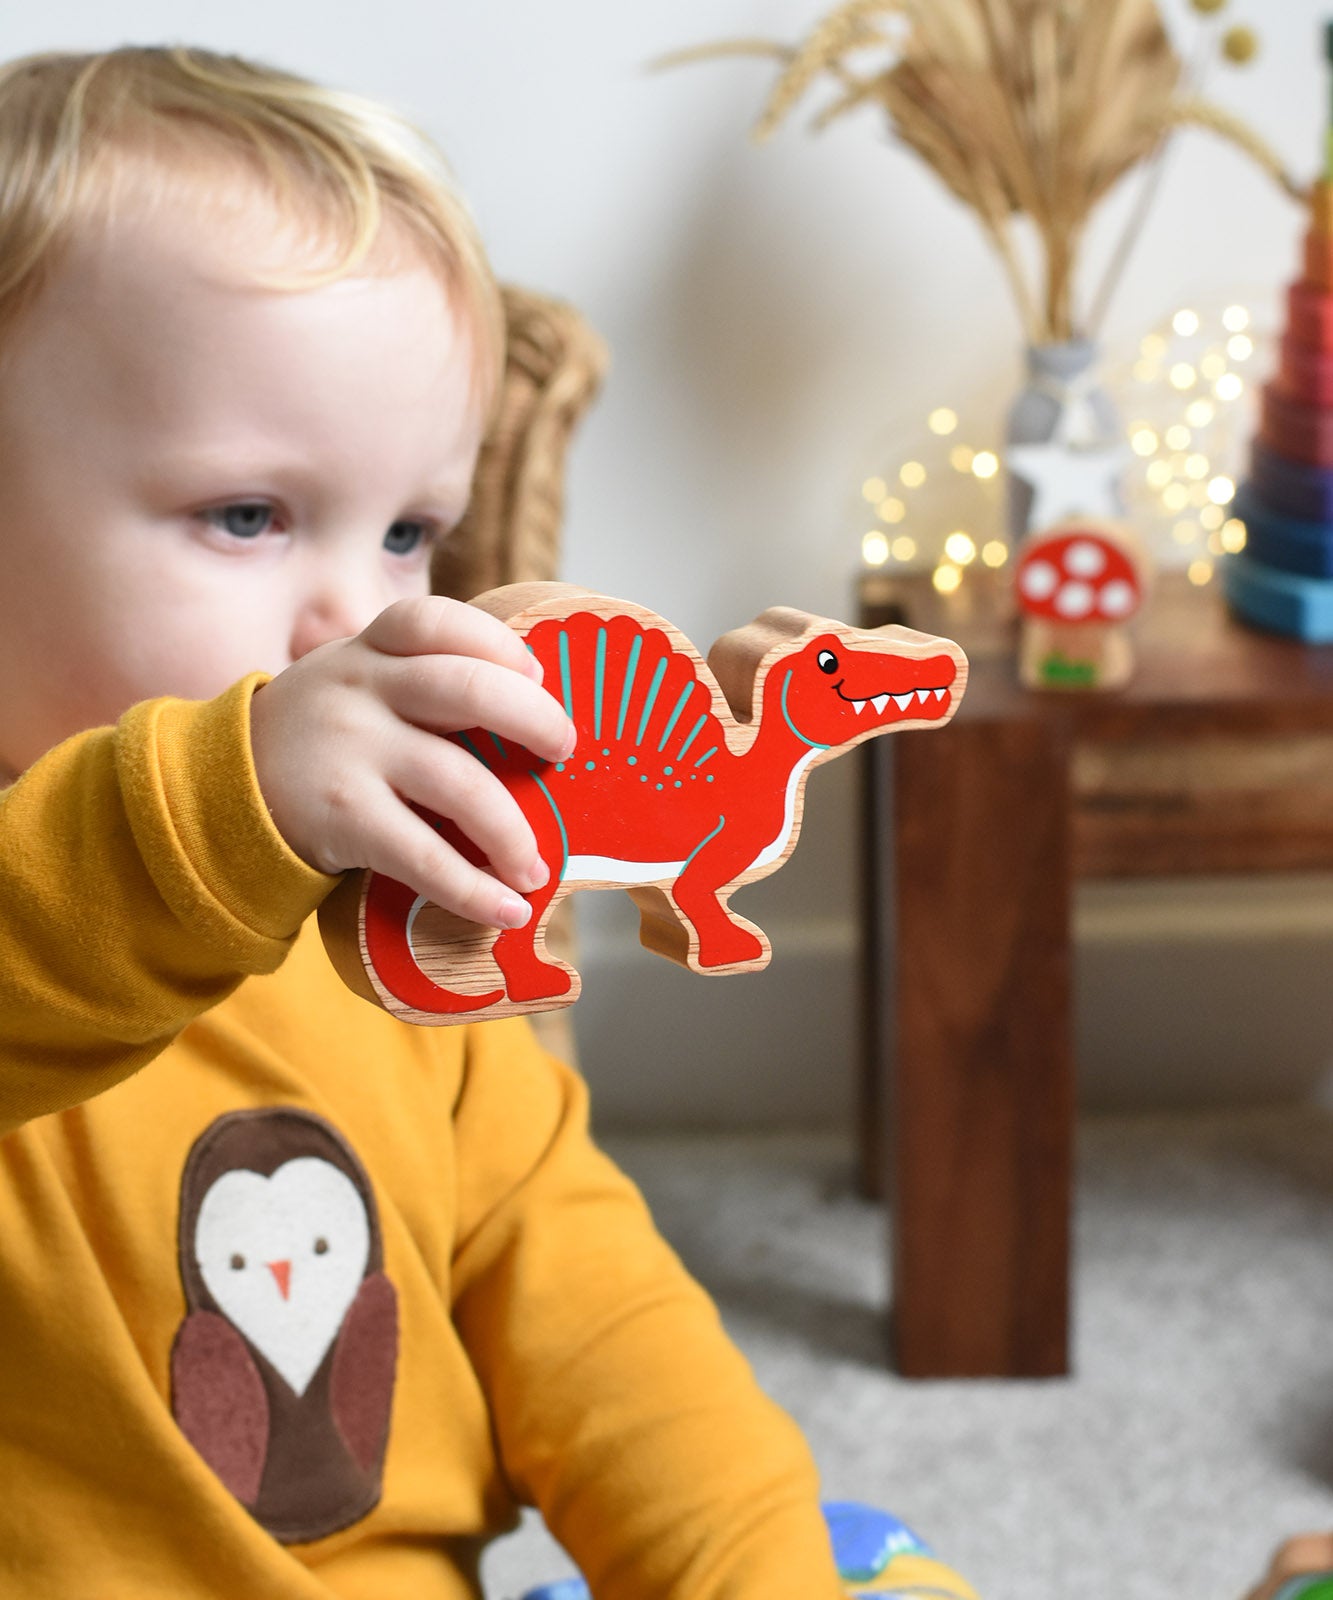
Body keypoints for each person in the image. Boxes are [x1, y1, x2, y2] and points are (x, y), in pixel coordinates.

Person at [0, 44, 977, 1600]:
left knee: (850, 1566)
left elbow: (592, 1313)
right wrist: (221, 807)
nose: (353, 617)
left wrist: (749, 1571)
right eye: (244, 516)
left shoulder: (419, 941)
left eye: (408, 535)